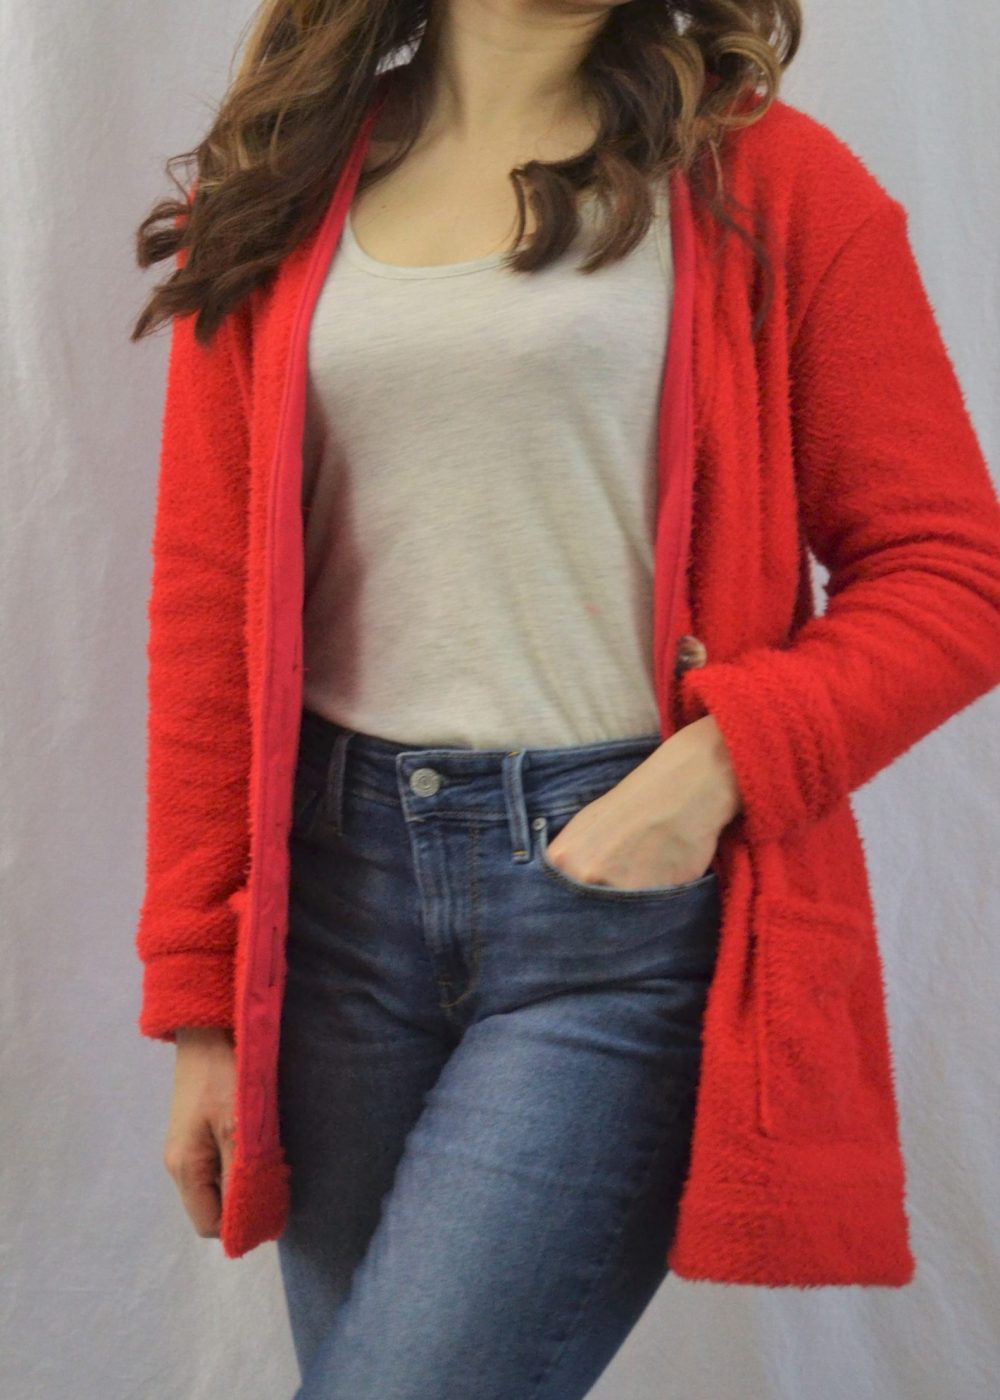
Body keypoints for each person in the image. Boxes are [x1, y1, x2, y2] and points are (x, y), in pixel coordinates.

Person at [131, 1, 1000, 1395]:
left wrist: (717, 767)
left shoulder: (768, 181)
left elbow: (953, 570)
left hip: (615, 916)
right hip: (333, 912)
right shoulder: (289, 174)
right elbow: (205, 613)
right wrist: (203, 1005)